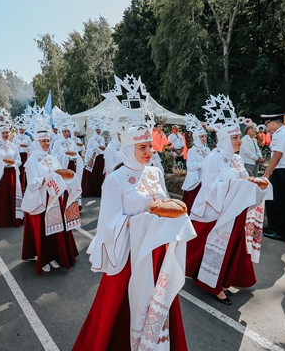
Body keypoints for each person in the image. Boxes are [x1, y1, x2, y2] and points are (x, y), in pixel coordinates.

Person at [73, 126, 195, 350]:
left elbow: (165, 203)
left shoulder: (155, 173)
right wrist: (140, 221)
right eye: (142, 147)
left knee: (159, 303)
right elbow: (108, 223)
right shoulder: (115, 179)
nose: (149, 152)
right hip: (129, 255)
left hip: (158, 252)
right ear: (129, 149)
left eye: (150, 146)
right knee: (117, 309)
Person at [186, 94, 272, 305]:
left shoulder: (237, 158)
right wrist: (240, 183)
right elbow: (209, 188)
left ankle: (222, 279)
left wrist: (255, 182)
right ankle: (211, 284)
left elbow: (243, 178)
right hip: (217, 213)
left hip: (235, 211)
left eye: (238, 137)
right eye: (235, 138)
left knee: (230, 248)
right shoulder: (212, 160)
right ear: (224, 139)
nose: (239, 141)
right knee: (213, 247)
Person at [20, 123, 81, 274]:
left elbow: (60, 174)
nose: (47, 144)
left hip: (54, 197)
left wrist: (69, 177)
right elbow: (32, 183)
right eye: (43, 141)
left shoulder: (53, 158)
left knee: (55, 229)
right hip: (40, 200)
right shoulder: (32, 160)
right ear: (37, 142)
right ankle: (43, 257)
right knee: (42, 230)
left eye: (48, 141)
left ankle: (54, 255)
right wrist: (47, 178)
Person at [260, 113, 285, 242]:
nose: (267, 129)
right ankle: (273, 227)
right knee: (272, 201)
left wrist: (267, 172)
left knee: (280, 202)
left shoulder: (280, 134)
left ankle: (282, 232)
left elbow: (277, 155)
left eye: (267, 125)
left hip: (282, 169)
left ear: (272, 123)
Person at [0, 124, 23, 228]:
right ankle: (2, 220)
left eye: (7, 133)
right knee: (2, 197)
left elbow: (19, 160)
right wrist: (0, 163)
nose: (5, 135)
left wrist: (13, 162)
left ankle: (14, 219)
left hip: (11, 175)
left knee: (12, 196)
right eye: (3, 133)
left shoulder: (13, 146)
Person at [181, 114, 209, 213]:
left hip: (206, 178)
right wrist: (202, 164)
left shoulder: (207, 149)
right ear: (196, 138)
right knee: (192, 200)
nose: (204, 138)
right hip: (196, 179)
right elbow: (190, 166)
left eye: (205, 136)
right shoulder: (192, 151)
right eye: (201, 136)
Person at [82, 125, 106, 197]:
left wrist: (102, 150)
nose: (98, 131)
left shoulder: (102, 138)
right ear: (94, 130)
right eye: (97, 130)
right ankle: (92, 191)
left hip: (101, 158)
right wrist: (95, 150)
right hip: (94, 158)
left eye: (99, 130)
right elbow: (88, 149)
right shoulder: (91, 139)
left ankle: (99, 191)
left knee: (100, 174)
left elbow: (103, 148)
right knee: (93, 175)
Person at [12, 122, 32, 192]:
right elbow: (13, 147)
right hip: (18, 155)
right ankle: (19, 185)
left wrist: (26, 147)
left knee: (25, 170)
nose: (21, 130)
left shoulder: (27, 137)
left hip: (25, 156)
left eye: (22, 129)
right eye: (20, 129)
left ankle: (25, 185)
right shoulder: (15, 137)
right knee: (19, 169)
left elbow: (30, 147)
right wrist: (19, 146)